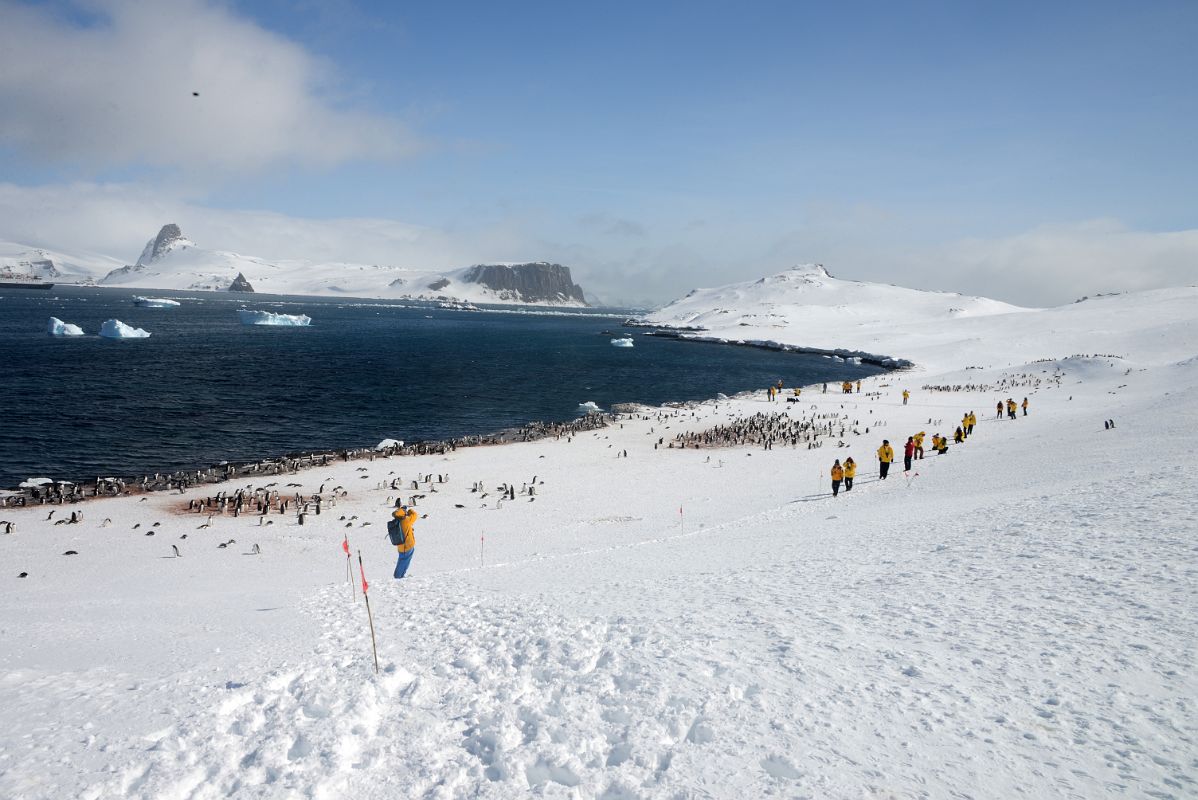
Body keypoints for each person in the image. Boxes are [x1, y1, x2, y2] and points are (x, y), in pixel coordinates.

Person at [391, 501, 418, 579]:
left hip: (400, 545)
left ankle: (400, 575)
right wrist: (409, 510)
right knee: (405, 561)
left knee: (402, 560)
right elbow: (415, 515)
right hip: (408, 545)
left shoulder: (396, 521)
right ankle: (398, 576)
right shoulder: (406, 520)